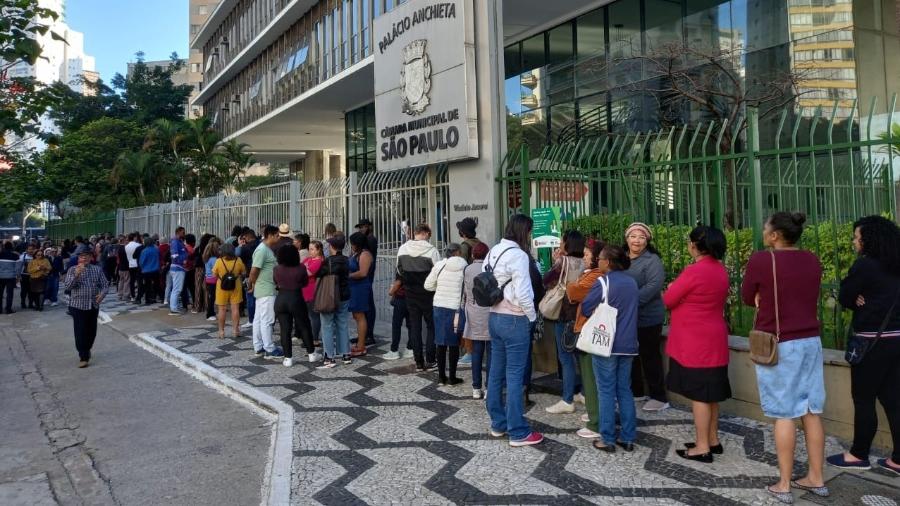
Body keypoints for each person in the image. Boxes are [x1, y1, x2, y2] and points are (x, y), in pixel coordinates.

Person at [741, 212, 828, 503]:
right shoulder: (812, 259)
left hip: (781, 344)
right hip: (811, 342)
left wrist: (759, 296)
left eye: (766, 228)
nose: (763, 231)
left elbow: (745, 295)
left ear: (775, 234)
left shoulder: (762, 260)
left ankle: (784, 483)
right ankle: (817, 478)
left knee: (785, 413)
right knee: (811, 410)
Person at [827, 215, 900, 476]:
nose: (854, 242)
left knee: (864, 398)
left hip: (871, 342)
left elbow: (846, 295)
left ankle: (858, 453)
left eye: (857, 237)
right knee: (893, 399)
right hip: (896, 339)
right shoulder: (895, 264)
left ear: (869, 239)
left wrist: (855, 295)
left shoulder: (866, 266)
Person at [663, 225, 730, 463]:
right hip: (715, 338)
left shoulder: (694, 271)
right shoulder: (720, 270)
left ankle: (702, 447)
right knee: (710, 393)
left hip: (694, 341)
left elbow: (669, 299)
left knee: (699, 395)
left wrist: (671, 288)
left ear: (694, 245)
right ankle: (713, 439)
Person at [485, 214, 543, 447]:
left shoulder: (493, 251)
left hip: (495, 316)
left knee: (495, 372)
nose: (529, 237)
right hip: (515, 319)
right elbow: (523, 292)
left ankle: (498, 423)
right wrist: (531, 317)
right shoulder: (518, 255)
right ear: (523, 232)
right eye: (529, 232)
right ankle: (518, 431)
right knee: (516, 374)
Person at [622, 222, 669, 412]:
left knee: (650, 356)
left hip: (648, 318)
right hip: (627, 318)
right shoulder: (622, 258)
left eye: (641, 237)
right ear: (627, 238)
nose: (637, 241)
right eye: (633, 236)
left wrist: (629, 303)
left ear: (647, 241)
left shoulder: (652, 260)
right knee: (631, 356)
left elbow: (653, 286)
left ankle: (659, 397)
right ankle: (637, 392)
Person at [542, 230, 586, 414]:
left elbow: (547, 281)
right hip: (580, 314)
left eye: (562, 241)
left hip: (563, 313)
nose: (560, 243)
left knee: (565, 357)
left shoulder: (563, 262)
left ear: (567, 243)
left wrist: (555, 262)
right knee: (579, 356)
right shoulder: (585, 262)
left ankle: (567, 399)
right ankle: (583, 392)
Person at [566, 238, 606, 439]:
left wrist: (572, 285)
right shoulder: (591, 274)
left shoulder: (596, 276)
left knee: (591, 378)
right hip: (592, 329)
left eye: (587, 254)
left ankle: (596, 421)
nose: (584, 257)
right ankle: (595, 415)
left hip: (590, 330)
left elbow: (574, 292)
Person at [397, 224, 441, 371]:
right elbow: (438, 272)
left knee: (414, 326)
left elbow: (399, 270)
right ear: (425, 233)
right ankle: (430, 359)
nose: (430, 237)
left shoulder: (403, 249)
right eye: (429, 234)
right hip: (428, 293)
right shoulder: (432, 251)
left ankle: (418, 361)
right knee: (431, 325)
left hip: (410, 292)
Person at [425, 243, 468, 386]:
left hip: (439, 307)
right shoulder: (464, 266)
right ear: (458, 253)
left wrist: (440, 287)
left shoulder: (439, 265)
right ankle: (453, 377)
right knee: (454, 343)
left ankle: (441, 377)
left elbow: (428, 285)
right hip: (455, 308)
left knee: (440, 342)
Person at [274, 244, 318, 366]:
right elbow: (304, 283)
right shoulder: (301, 267)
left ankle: (288, 358)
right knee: (304, 326)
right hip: (296, 298)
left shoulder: (277, 269)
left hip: (281, 299)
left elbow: (275, 282)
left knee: (285, 329)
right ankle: (311, 354)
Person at [64, 250, 109, 368]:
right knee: (80, 331)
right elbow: (68, 286)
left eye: (86, 257)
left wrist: (102, 294)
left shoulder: (97, 269)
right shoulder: (72, 270)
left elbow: (105, 284)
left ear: (90, 258)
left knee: (91, 332)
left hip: (93, 305)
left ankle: (87, 349)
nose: (83, 259)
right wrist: (77, 275)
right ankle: (83, 356)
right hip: (77, 305)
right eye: (81, 257)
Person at [248, 225, 285, 359]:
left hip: (264, 289)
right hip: (266, 290)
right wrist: (252, 284)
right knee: (267, 320)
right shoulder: (262, 250)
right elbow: (254, 270)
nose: (278, 238)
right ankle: (269, 348)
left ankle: (259, 346)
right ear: (270, 235)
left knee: (259, 319)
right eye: (277, 235)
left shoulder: (265, 249)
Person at [317, 234, 351, 368]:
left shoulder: (328, 261)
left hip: (330, 296)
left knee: (327, 325)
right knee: (342, 324)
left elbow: (319, 274)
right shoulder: (346, 260)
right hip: (344, 296)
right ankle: (346, 354)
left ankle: (329, 356)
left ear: (331, 246)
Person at [464, 242, 492, 398]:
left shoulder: (467, 269)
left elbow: (467, 292)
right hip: (489, 311)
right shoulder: (490, 269)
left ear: (473, 254)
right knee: (491, 352)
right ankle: (489, 388)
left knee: (476, 351)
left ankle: (476, 388)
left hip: (474, 312)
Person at [348, 232, 374, 357]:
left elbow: (363, 272)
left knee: (360, 315)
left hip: (360, 287)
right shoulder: (356, 254)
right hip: (354, 287)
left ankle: (361, 345)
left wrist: (348, 276)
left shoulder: (365, 254)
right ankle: (359, 343)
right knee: (356, 315)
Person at [212, 243, 246, 339]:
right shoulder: (238, 260)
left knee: (222, 309)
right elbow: (243, 272)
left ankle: (221, 332)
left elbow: (214, 274)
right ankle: (235, 330)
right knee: (235, 309)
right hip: (236, 286)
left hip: (221, 288)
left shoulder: (219, 261)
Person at [356, 218, 378, 346]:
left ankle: (369, 334)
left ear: (369, 226)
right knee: (364, 305)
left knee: (368, 305)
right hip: (365, 274)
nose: (361, 229)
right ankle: (363, 334)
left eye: (363, 227)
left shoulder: (370, 239)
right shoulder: (366, 239)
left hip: (367, 274)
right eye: (360, 227)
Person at [302, 240, 325, 347]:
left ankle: (314, 338)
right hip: (304, 290)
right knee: (307, 315)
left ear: (318, 250)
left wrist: (303, 268)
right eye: (309, 249)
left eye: (312, 249)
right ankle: (309, 336)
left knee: (314, 316)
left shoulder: (319, 261)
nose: (309, 251)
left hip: (312, 291)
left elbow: (308, 272)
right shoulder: (308, 259)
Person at [385, 274, 412, 360]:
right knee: (411, 325)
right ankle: (410, 348)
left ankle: (394, 350)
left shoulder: (403, 264)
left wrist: (391, 292)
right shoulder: (418, 263)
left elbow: (398, 282)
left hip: (401, 299)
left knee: (396, 325)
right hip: (413, 298)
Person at [238, 229, 260, 328]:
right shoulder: (261, 245)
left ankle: (251, 320)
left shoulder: (245, 248)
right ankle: (259, 318)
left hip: (249, 274)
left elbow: (241, 260)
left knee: (250, 297)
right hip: (261, 274)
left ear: (246, 237)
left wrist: (240, 245)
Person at [167, 226, 189, 315]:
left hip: (177, 267)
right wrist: (182, 261)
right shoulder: (176, 242)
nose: (184, 234)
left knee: (176, 289)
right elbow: (174, 255)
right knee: (177, 289)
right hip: (178, 268)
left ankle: (174, 306)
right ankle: (174, 308)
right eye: (183, 232)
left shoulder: (178, 242)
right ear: (178, 232)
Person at [194, 234, 213, 315]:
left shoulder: (198, 248)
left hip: (199, 268)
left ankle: (198, 306)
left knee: (198, 287)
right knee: (206, 288)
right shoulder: (210, 249)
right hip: (208, 269)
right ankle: (207, 306)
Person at [203, 238, 222, 321]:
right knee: (213, 298)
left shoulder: (207, 258)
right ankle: (210, 313)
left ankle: (211, 312)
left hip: (208, 279)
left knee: (211, 297)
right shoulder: (215, 260)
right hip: (214, 280)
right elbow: (217, 270)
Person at [137, 237, 160, 305]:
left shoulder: (144, 251)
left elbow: (141, 262)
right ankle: (153, 298)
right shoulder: (156, 250)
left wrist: (142, 268)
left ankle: (145, 299)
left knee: (146, 285)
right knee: (155, 285)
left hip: (146, 271)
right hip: (155, 270)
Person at [0, 242, 20, 314]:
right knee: (10, 294)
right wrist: (18, 276)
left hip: (0, 277)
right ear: (12, 247)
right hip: (11, 277)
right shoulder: (15, 256)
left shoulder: (0, 254)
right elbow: (17, 268)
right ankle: (8, 309)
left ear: (4, 247)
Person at [124, 233, 141, 301]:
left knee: (132, 281)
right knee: (139, 281)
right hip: (137, 264)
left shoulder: (126, 246)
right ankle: (139, 296)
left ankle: (132, 296)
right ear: (134, 238)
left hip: (130, 264)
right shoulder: (138, 245)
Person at [19, 244, 34, 309]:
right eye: (29, 249)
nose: (31, 250)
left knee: (31, 291)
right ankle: (23, 303)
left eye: (32, 249)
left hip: (32, 276)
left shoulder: (35, 257)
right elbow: (19, 266)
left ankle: (30, 304)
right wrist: (18, 275)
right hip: (24, 275)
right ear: (26, 250)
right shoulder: (22, 256)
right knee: (23, 291)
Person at [116, 236, 131, 301]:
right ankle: (126, 295)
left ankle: (119, 295)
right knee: (127, 281)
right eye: (126, 240)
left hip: (120, 267)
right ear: (123, 241)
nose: (127, 241)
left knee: (121, 281)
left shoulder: (118, 248)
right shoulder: (125, 248)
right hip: (126, 267)